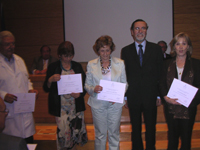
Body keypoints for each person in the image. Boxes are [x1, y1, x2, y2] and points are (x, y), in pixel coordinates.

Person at [121, 19, 163, 150]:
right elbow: (125, 75)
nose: (140, 31)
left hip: (151, 96)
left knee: (151, 127)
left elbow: (160, 73)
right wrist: (126, 97)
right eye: (137, 29)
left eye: (143, 28)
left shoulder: (156, 49)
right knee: (136, 128)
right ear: (132, 32)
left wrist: (159, 95)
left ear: (146, 30)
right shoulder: (126, 51)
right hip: (133, 96)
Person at [85, 35, 128, 150]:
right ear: (98, 50)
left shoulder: (120, 63)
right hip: (98, 104)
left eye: (107, 50)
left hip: (115, 104)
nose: (105, 53)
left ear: (111, 50)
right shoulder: (91, 64)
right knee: (100, 134)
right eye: (102, 50)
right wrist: (93, 89)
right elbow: (87, 85)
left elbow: (125, 84)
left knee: (114, 134)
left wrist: (118, 95)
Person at [43, 41, 88, 150]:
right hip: (61, 108)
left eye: (70, 56)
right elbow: (46, 87)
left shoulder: (77, 66)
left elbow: (85, 85)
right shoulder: (53, 67)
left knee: (75, 134)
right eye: (65, 56)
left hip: (75, 106)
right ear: (60, 55)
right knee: (63, 134)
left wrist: (80, 94)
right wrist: (50, 79)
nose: (68, 58)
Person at [159, 32, 200, 150]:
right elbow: (161, 83)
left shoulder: (196, 64)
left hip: (189, 108)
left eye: (184, 44)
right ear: (174, 47)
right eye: (178, 44)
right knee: (172, 139)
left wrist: (189, 101)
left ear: (188, 46)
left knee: (186, 140)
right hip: (171, 108)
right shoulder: (166, 63)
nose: (181, 47)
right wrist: (166, 98)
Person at [0, 30, 38, 143]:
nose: (11, 47)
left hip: (25, 109)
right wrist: (3, 95)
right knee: (12, 143)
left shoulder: (19, 60)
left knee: (28, 143)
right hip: (8, 111)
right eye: (7, 44)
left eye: (13, 43)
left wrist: (31, 89)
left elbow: (27, 80)